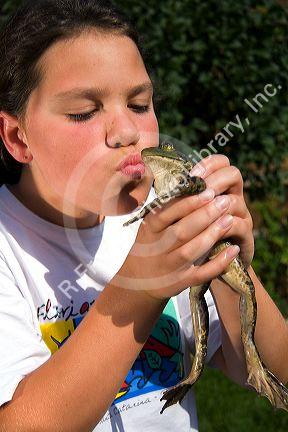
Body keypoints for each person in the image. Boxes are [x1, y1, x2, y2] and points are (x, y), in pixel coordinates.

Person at [0, 0, 287, 430]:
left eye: (139, 104)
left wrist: (227, 259)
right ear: (17, 137)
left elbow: (271, 370)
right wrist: (140, 286)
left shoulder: (163, 224)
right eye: (84, 111)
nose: (127, 132)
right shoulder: (9, 248)